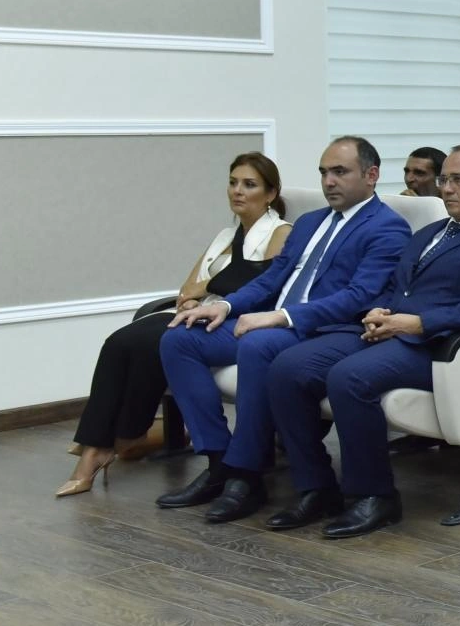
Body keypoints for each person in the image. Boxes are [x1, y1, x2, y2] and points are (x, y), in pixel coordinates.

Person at [247, 146, 460, 536]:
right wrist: (378, 310)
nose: (447, 188)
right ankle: (316, 487)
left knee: (349, 377)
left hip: (440, 347)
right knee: (288, 367)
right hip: (389, 332)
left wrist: (418, 324)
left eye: (458, 179)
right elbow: (396, 286)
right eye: (444, 179)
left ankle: (375, 496)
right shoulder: (430, 232)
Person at [155, 138, 411, 511]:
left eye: (340, 172)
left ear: (371, 175)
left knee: (258, 345)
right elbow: (271, 279)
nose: (329, 181)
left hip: (320, 330)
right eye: (324, 172)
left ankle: (246, 476)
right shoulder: (309, 222)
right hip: (274, 323)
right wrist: (226, 305)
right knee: (180, 338)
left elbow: (358, 297)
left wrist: (283, 316)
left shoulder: (387, 228)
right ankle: (218, 462)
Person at [56, 154, 293, 497]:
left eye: (249, 185)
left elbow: (260, 288)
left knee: (152, 342)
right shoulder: (226, 235)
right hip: (200, 313)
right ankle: (101, 442)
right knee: (119, 342)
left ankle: (108, 445)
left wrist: (206, 291)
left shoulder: (281, 232)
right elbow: (187, 290)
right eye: (233, 183)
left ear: (270, 194)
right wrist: (197, 298)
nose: (237, 191)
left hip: (236, 321)